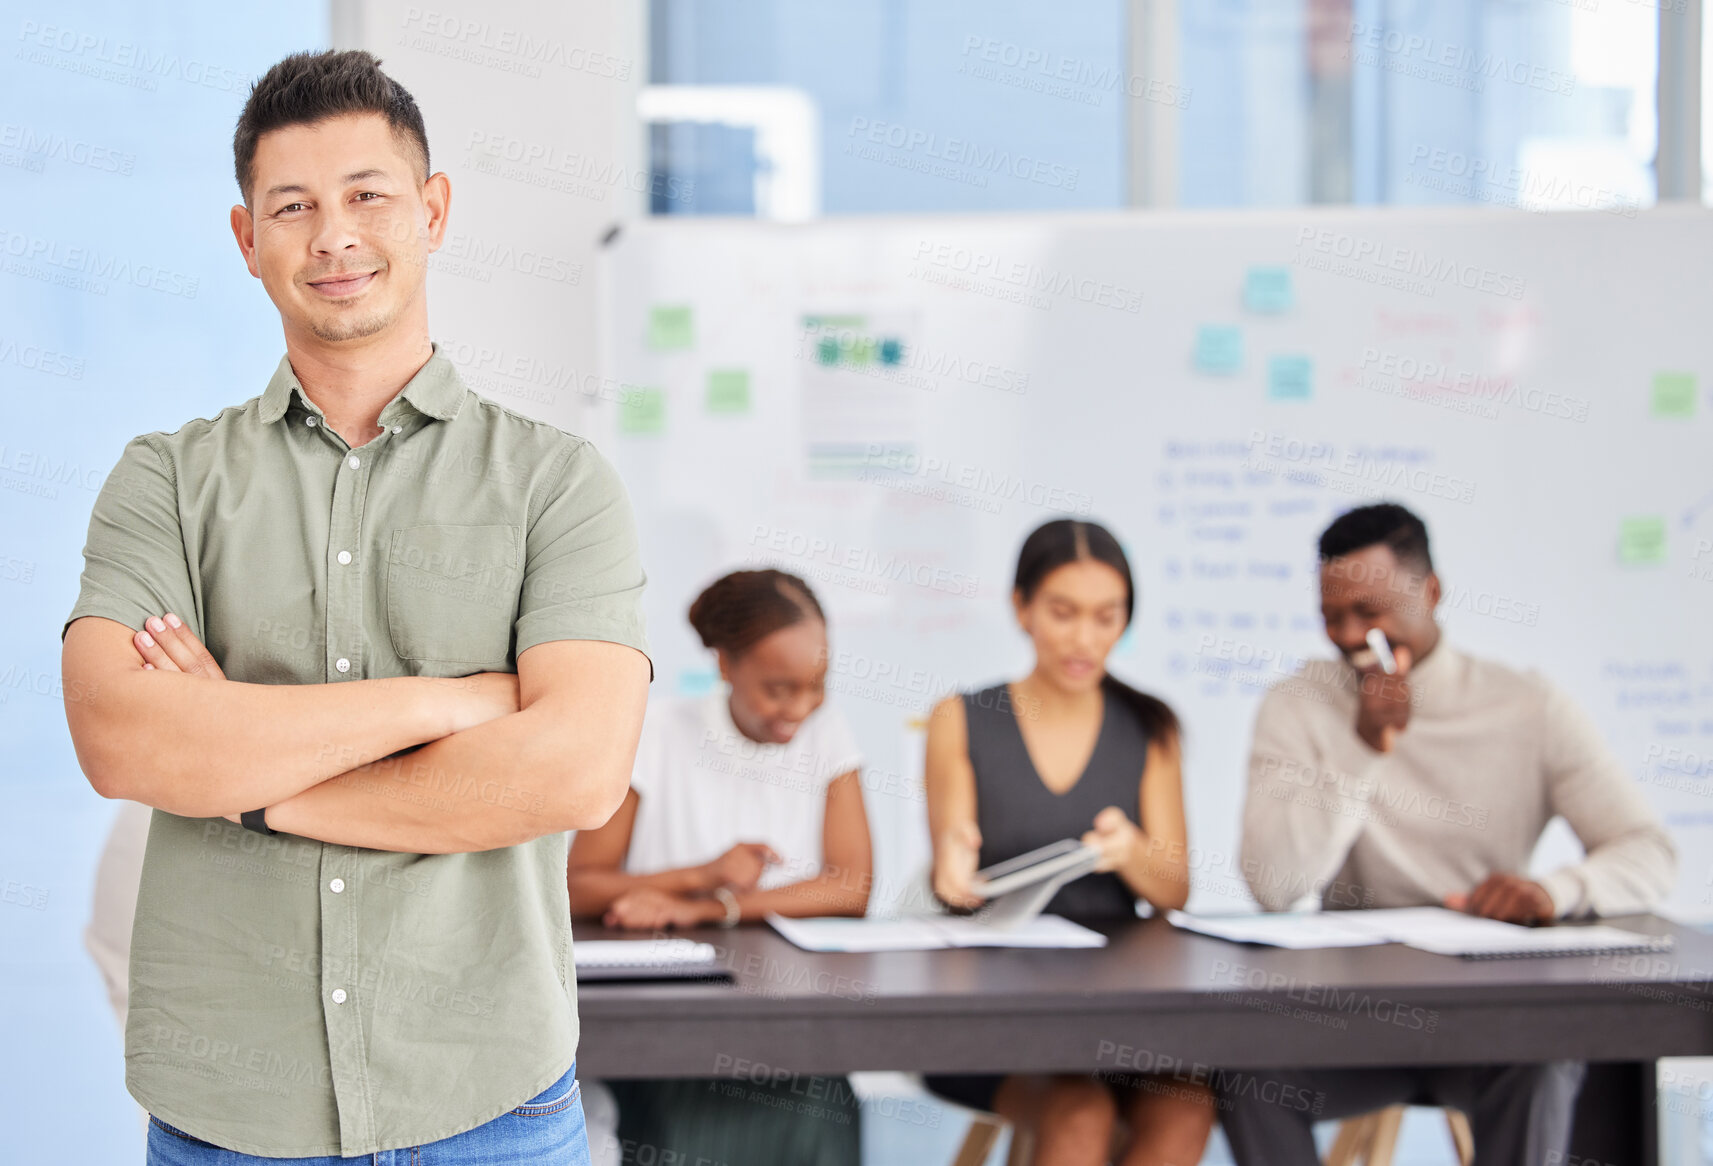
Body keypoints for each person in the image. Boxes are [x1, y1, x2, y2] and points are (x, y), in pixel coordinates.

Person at [59, 50, 651, 1165]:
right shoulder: (165, 481)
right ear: (248, 240)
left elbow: (573, 771)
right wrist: (456, 702)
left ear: (430, 211)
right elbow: (120, 735)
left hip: (492, 1109)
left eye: (367, 196)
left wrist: (243, 781)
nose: (333, 234)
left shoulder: (557, 484)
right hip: (228, 1116)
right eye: (293, 205)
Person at [1220, 501, 1677, 1165]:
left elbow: (1646, 851)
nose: (1347, 635)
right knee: (1242, 1072)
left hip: (1487, 1017)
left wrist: (1553, 892)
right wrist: (1362, 747)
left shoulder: (1525, 705)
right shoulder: (1297, 705)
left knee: (1549, 1060)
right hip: (1348, 1019)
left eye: (1367, 612)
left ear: (1429, 593)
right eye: (1330, 615)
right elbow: (1273, 886)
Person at [924, 518, 1215, 1166]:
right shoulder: (961, 718)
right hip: (992, 1014)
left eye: (1107, 617)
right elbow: (952, 844)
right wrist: (950, 863)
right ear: (1020, 608)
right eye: (1062, 612)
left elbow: (1174, 889)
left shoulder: (1149, 726)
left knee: (1186, 1104)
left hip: (1120, 1014)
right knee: (1078, 1110)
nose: (1084, 639)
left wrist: (1133, 853)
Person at [568, 568, 871, 1166]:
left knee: (821, 1102)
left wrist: (710, 908)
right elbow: (579, 886)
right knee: (678, 1123)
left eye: (817, 686)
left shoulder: (826, 733)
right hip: (674, 1015)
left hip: (790, 1011)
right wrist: (699, 875)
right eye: (778, 689)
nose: (801, 708)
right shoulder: (656, 732)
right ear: (726, 666)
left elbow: (850, 886)